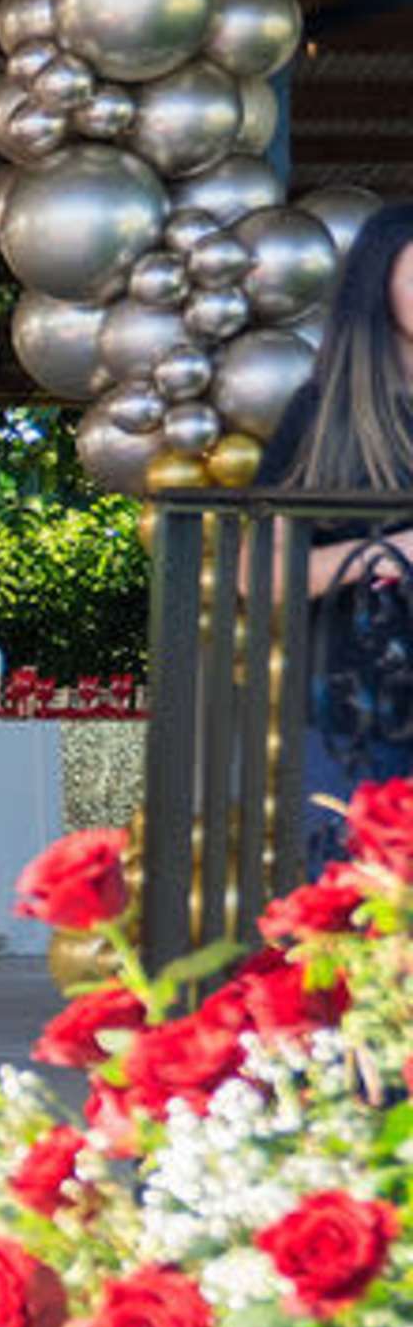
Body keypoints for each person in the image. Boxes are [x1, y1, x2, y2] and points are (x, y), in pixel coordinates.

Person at [260, 200, 413, 850]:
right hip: (352, 715)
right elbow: (258, 573)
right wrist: (390, 554)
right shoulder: (324, 414)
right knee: (344, 920)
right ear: (379, 285)